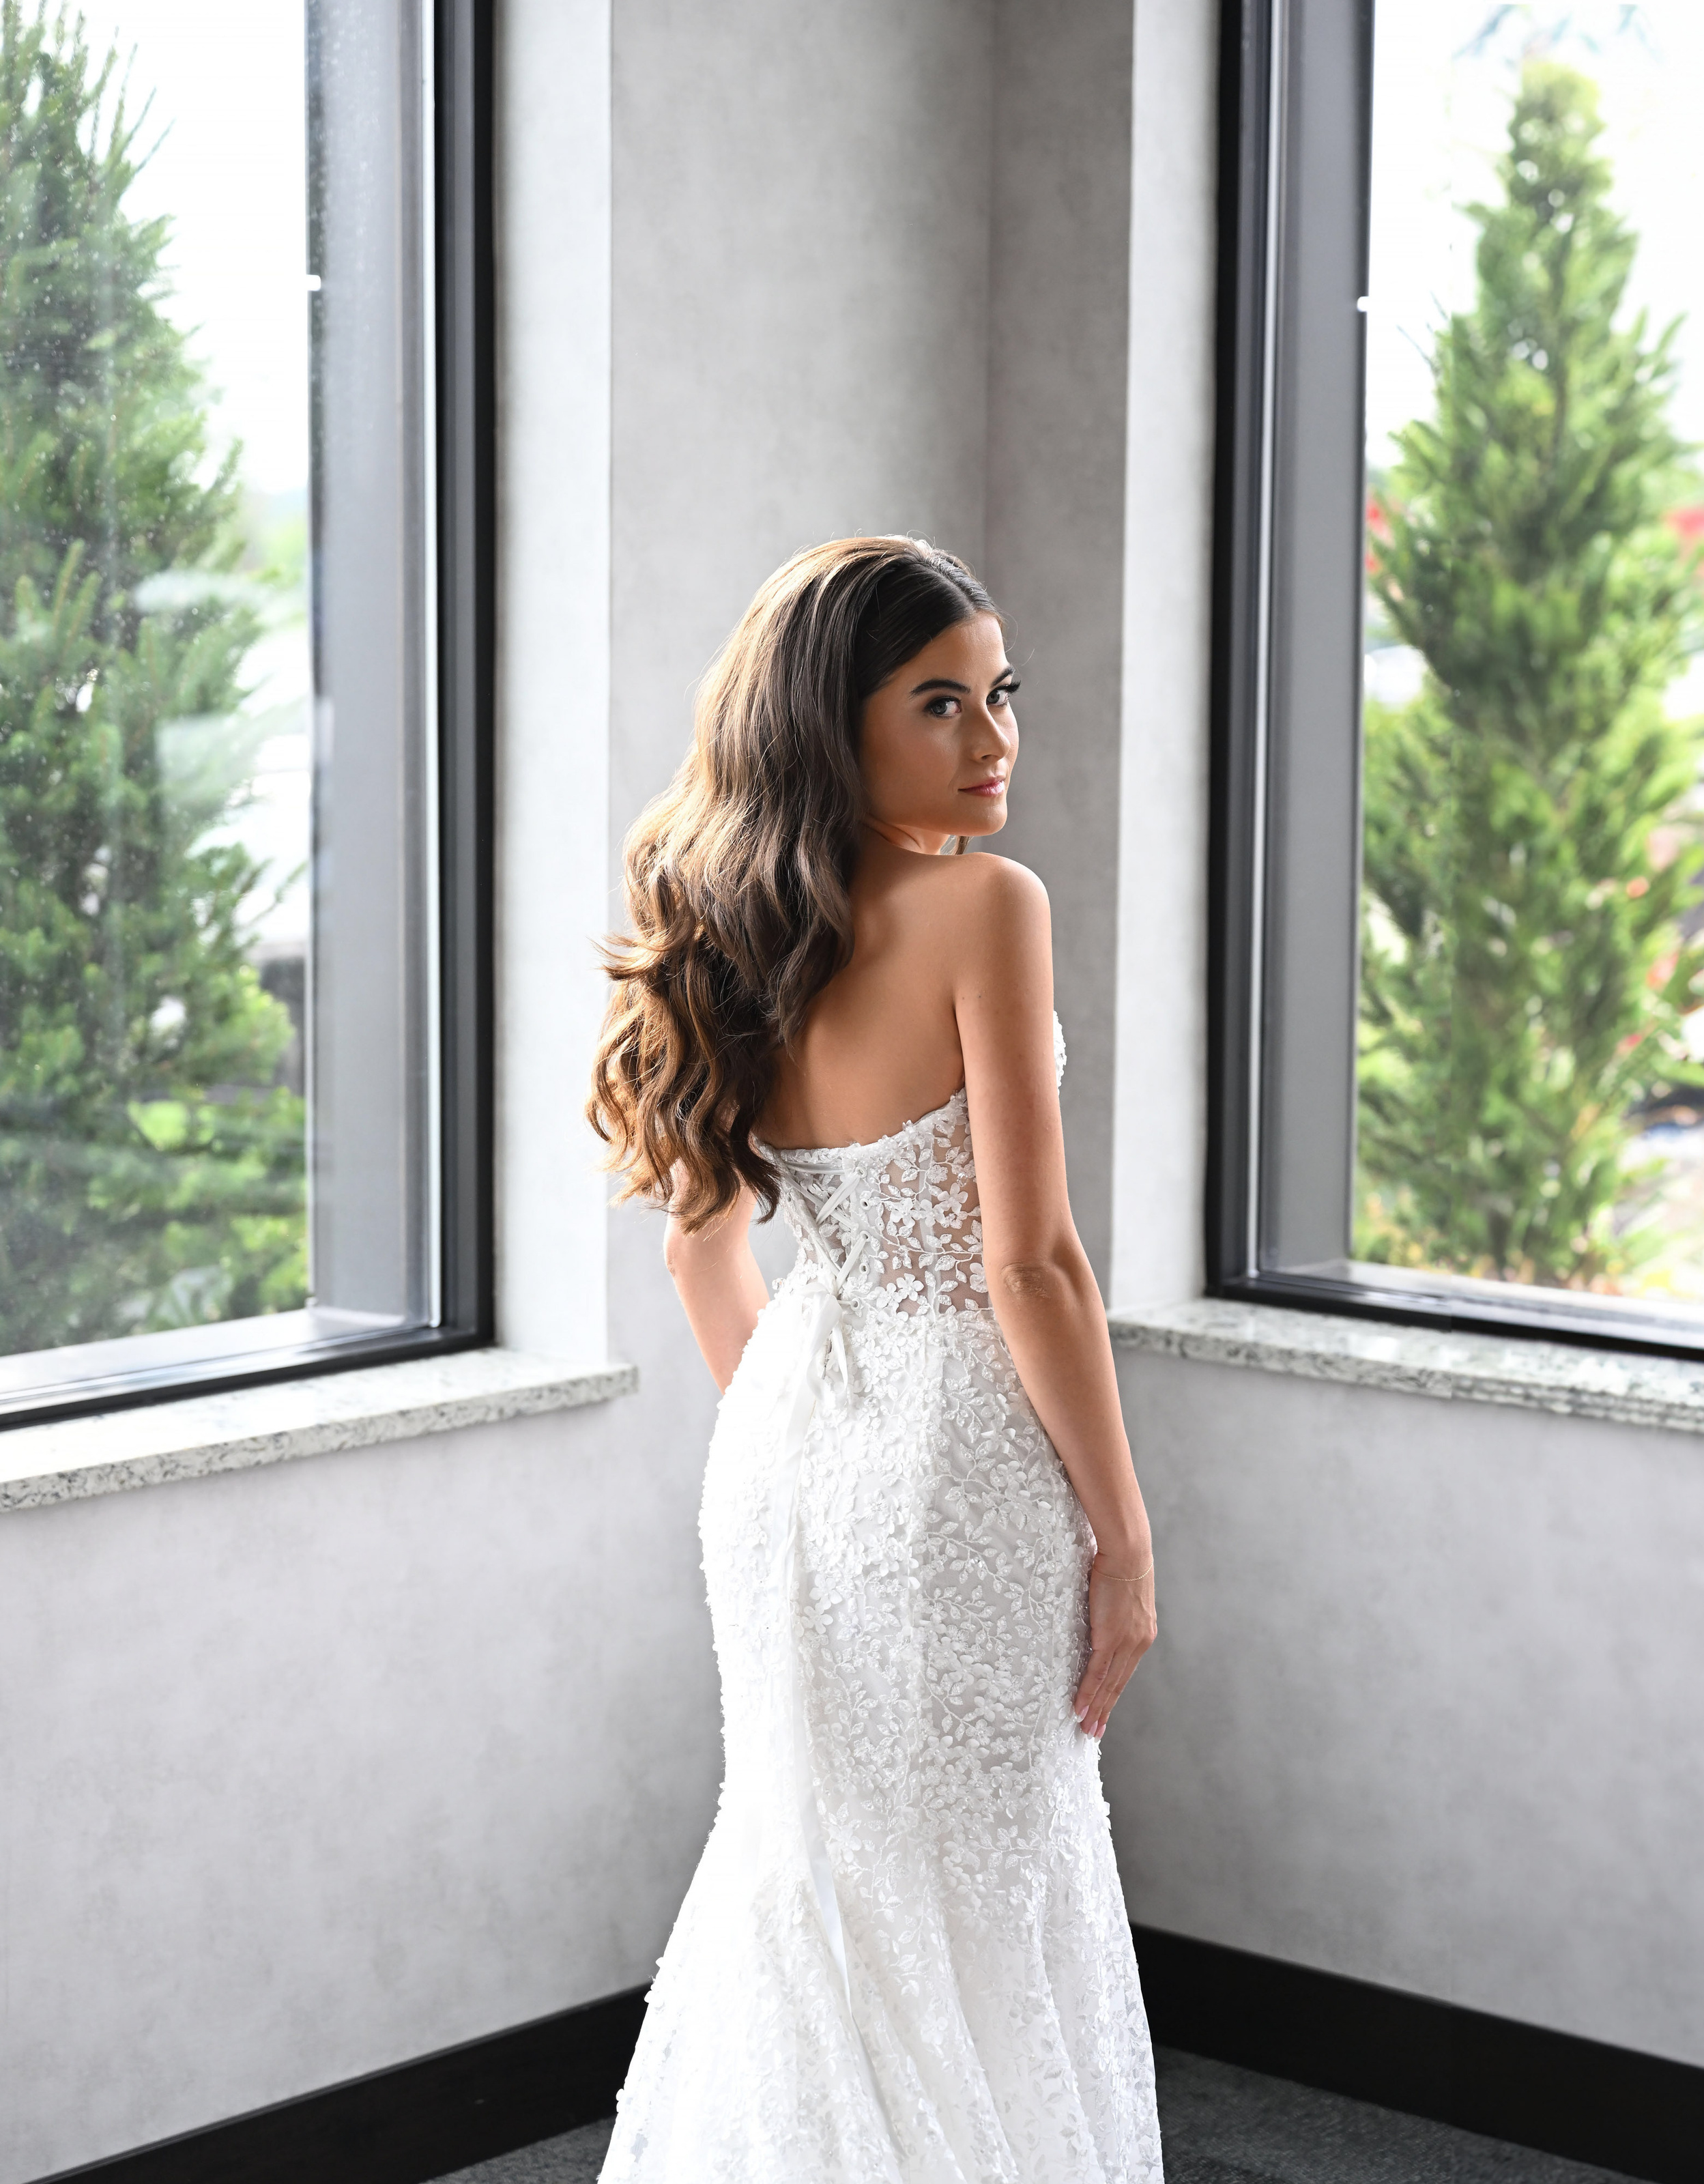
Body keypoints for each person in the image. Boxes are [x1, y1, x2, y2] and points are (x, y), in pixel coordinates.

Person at [590, 536, 1162, 2182]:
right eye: (939, 704)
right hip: (962, 1457)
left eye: (1001, 698)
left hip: (786, 1451)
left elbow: (709, 1253)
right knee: (977, 1868)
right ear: (831, 725)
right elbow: (1031, 1261)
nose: (993, 740)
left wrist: (817, 1440)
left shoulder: (730, 918)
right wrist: (1124, 1534)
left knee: (818, 1865)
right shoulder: (990, 902)